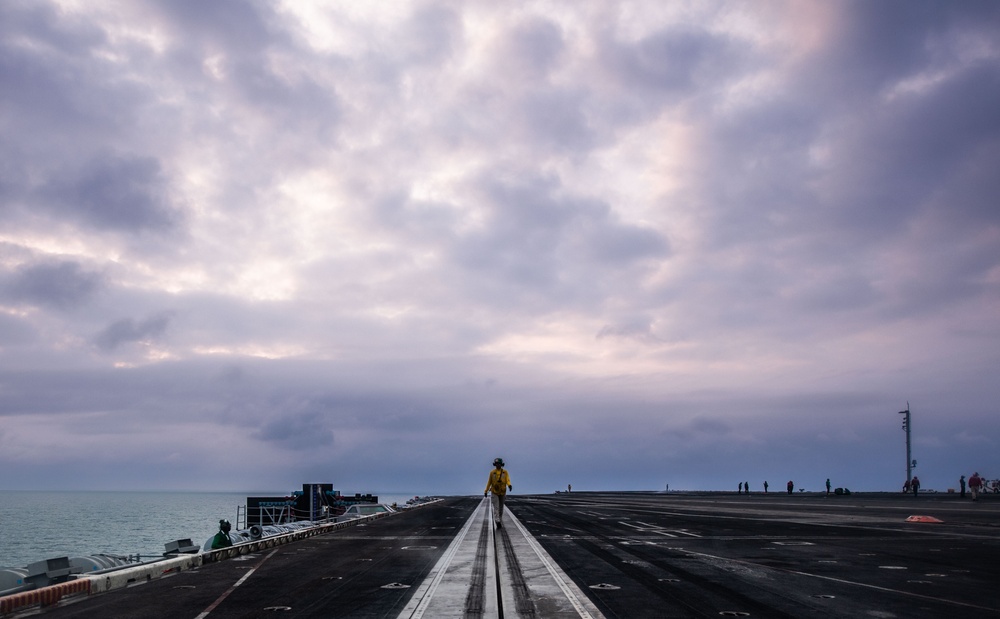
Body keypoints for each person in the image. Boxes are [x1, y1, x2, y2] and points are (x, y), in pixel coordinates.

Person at [485, 457, 512, 527]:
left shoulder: (505, 472)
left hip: (502, 492)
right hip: (495, 492)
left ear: (501, 464)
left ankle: (499, 519)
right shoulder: (492, 473)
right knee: (496, 507)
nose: (498, 465)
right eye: (497, 464)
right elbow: (489, 482)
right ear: (495, 464)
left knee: (501, 508)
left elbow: (507, 480)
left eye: (499, 464)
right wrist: (486, 491)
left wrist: (509, 485)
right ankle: (497, 520)